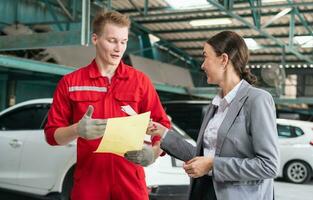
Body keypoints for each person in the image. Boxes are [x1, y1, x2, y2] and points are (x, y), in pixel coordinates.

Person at [44, 11, 170, 200]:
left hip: (130, 181)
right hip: (90, 182)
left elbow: (162, 125)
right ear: (95, 39)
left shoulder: (139, 81)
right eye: (112, 40)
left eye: (123, 41)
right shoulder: (71, 82)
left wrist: (153, 152)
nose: (118, 48)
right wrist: (77, 129)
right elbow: (52, 135)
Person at [147, 31, 279, 200]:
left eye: (206, 57)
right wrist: (163, 133)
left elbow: (268, 166)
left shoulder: (257, 100)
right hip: (204, 191)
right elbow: (201, 156)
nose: (202, 65)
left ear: (224, 60)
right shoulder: (215, 104)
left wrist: (213, 165)